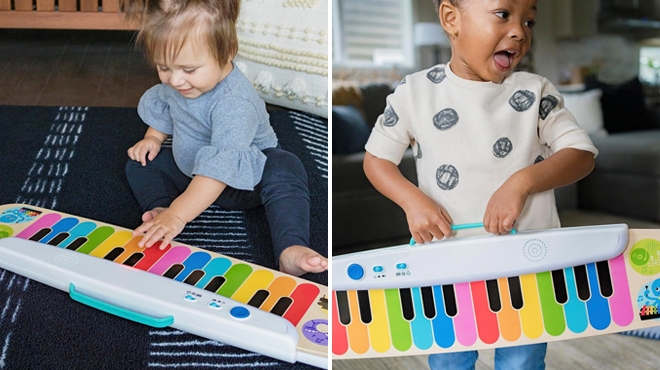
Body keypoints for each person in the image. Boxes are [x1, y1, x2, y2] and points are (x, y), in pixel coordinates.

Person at [363, 0, 597, 368]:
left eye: (530, 21)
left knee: (522, 361)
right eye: (503, 14)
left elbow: (582, 153)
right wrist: (412, 200)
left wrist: (521, 182)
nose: (520, 31)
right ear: (451, 19)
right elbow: (376, 159)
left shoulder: (537, 92)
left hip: (528, 266)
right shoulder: (415, 91)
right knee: (448, 362)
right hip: (446, 266)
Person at [122, 0, 327, 276]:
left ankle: (291, 247)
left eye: (189, 70)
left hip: (245, 181)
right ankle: (160, 208)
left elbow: (220, 170)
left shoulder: (235, 103)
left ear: (227, 53)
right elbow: (166, 106)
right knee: (140, 160)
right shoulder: (177, 81)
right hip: (192, 170)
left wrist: (180, 214)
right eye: (164, 67)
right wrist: (154, 138)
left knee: (286, 167)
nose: (175, 80)